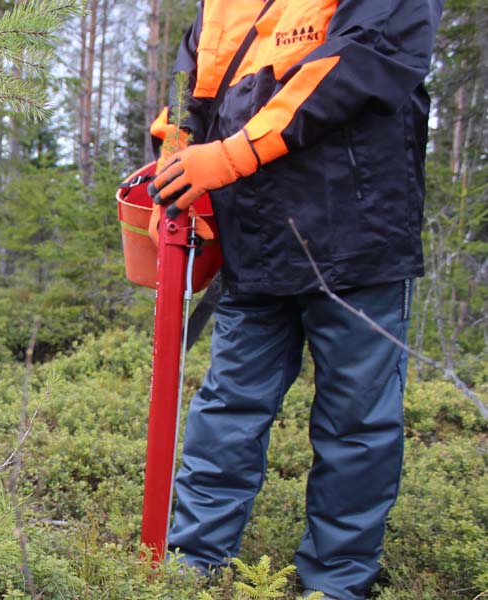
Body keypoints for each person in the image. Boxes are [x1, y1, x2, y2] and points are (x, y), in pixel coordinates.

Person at [145, 1, 443, 599]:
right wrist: (172, 175)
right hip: (253, 239)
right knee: (226, 408)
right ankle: (191, 571)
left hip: (356, 240)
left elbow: (355, 68)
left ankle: (334, 585)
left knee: (355, 425)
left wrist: (228, 157)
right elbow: (192, 89)